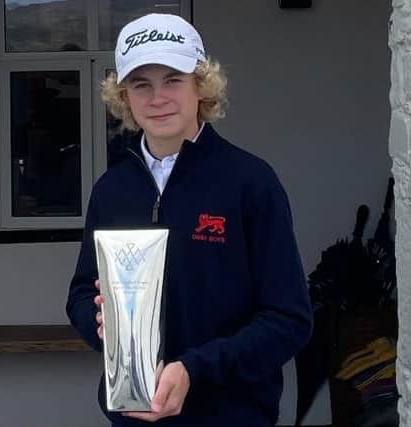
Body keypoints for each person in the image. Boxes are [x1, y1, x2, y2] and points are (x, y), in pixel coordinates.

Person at [66, 13, 313, 427]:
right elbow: (78, 294)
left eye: (173, 80)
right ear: (123, 97)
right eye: (141, 84)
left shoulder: (250, 183)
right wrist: (100, 326)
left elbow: (289, 320)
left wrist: (194, 369)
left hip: (231, 416)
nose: (157, 97)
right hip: (133, 418)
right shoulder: (111, 190)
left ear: (202, 85)